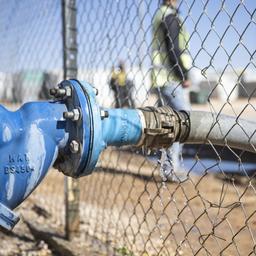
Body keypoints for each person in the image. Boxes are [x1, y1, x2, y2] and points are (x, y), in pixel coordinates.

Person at [151, 0, 192, 181]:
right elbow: (173, 47)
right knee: (183, 120)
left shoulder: (161, 13)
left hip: (162, 77)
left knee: (168, 124)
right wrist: (183, 74)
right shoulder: (169, 15)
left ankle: (167, 168)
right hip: (171, 77)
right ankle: (171, 169)